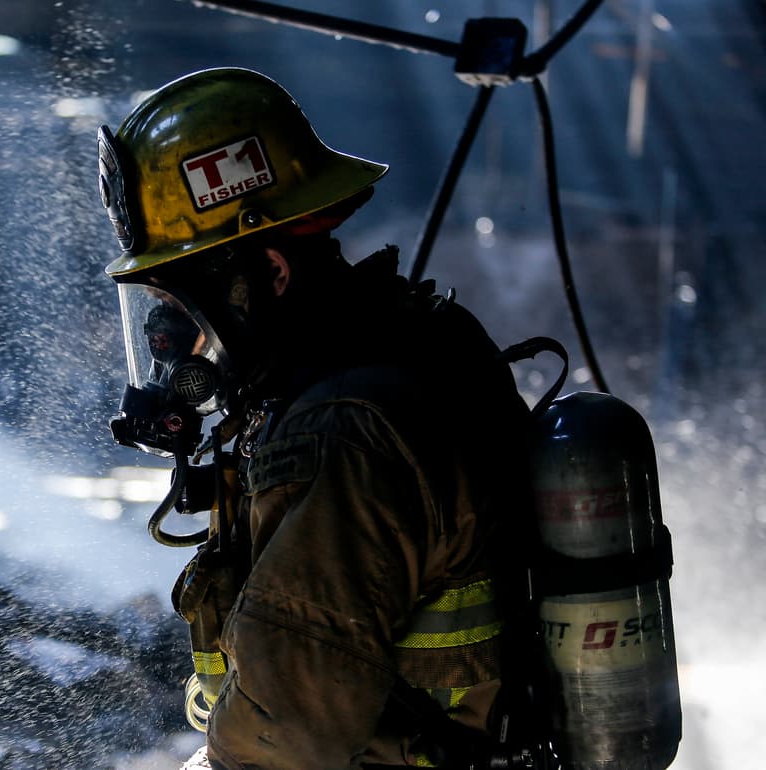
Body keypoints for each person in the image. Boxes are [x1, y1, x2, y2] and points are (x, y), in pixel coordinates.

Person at [97, 68, 536, 768]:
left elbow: (283, 738)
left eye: (184, 304)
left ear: (271, 274)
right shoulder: (406, 352)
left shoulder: (343, 431)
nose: (176, 342)